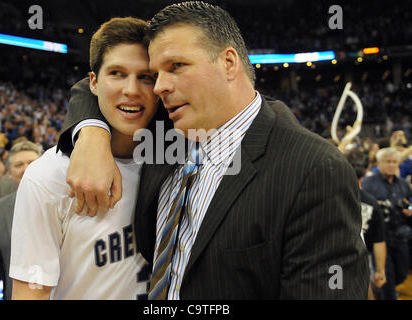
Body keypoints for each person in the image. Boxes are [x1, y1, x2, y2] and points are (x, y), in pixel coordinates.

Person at [58, 1, 369, 299]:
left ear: (229, 62)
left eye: (176, 66)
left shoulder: (314, 169)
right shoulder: (168, 129)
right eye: (156, 74)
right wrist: (91, 134)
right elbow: (97, 86)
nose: (157, 87)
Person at [9, 17, 159, 300]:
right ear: (92, 82)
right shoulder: (48, 175)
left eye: (145, 77)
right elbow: (31, 293)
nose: (131, 89)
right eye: (116, 73)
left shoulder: (173, 158)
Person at [0, 141, 41, 300]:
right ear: (9, 173)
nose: (26, 168)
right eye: (19, 164)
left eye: (32, 163)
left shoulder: (64, 201)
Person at [361, 147, 412, 299]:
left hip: (401, 235)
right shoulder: (369, 183)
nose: (391, 165)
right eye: (388, 162)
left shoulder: (402, 184)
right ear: (380, 163)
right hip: (380, 237)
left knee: (403, 272)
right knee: (385, 275)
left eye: (394, 162)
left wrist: (409, 208)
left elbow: (410, 202)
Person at [345, 148, 387, 298]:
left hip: (330, 263)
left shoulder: (325, 195)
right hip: (359, 261)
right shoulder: (371, 202)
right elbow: (379, 240)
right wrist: (380, 270)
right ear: (365, 172)